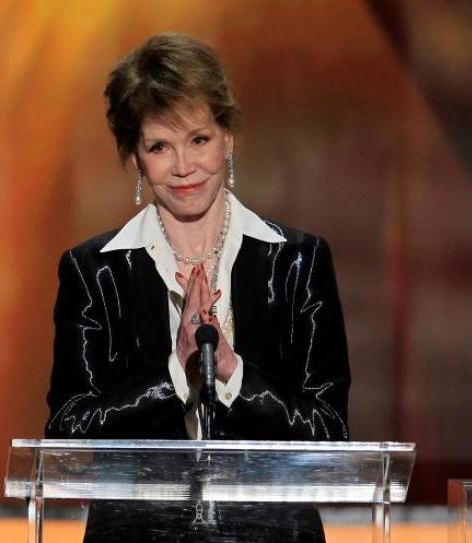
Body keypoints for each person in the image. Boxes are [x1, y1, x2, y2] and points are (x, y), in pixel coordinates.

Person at [45, 32, 351, 543]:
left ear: (228, 137)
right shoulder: (93, 271)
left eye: (199, 140)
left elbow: (330, 432)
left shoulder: (298, 261)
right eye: (159, 146)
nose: (184, 167)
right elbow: (68, 435)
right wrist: (174, 371)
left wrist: (231, 374)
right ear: (135, 159)